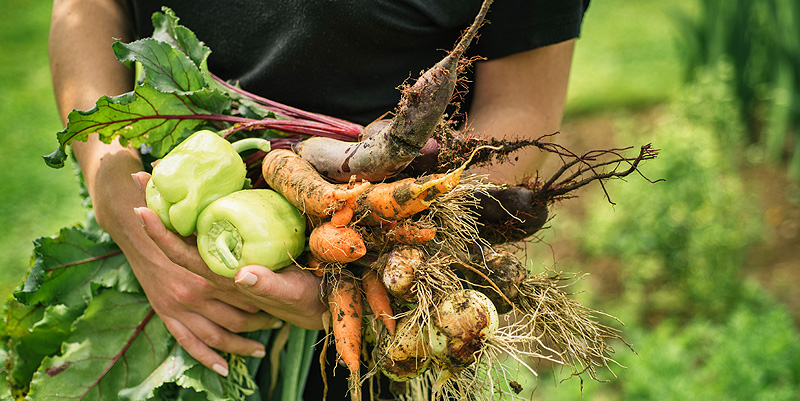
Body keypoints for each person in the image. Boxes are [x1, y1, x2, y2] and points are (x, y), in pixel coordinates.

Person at [49, 0, 589, 396]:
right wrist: (108, 178)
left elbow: (522, 101)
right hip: (161, 254)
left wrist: (354, 270)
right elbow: (86, 9)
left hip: (377, 296)